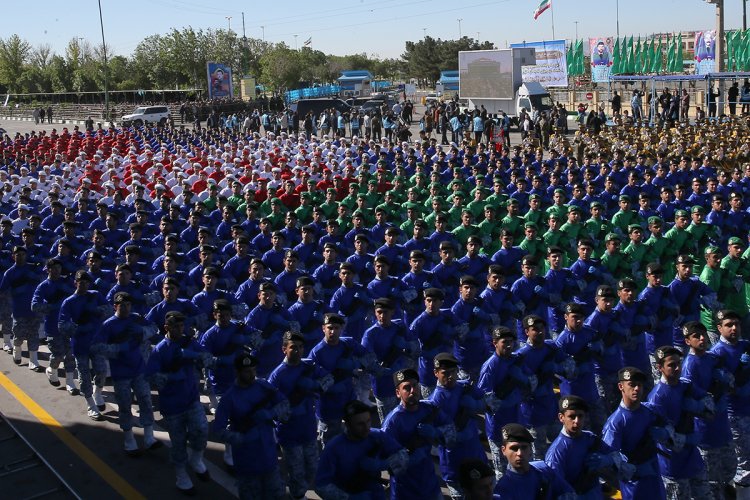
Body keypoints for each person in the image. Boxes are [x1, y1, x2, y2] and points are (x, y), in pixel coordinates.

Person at [145, 311, 212, 494]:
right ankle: (181, 476)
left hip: (191, 399)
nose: (180, 330)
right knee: (178, 442)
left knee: (201, 430)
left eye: (182, 326)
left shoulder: (188, 342)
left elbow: (207, 358)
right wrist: (171, 377)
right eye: (175, 326)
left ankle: (196, 459)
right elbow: (150, 377)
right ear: (166, 327)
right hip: (172, 406)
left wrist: (193, 355)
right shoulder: (159, 350)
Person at [213, 349, 290, 499]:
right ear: (237, 372)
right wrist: (240, 438)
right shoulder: (229, 398)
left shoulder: (263, 386)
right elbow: (218, 429)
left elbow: (284, 404)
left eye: (253, 370)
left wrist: (271, 413)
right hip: (246, 461)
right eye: (247, 372)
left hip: (268, 457)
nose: (252, 374)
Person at [92, 292, 161, 454]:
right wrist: (117, 349)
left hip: (139, 369)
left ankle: (149, 437)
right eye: (122, 305)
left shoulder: (136, 319)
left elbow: (154, 328)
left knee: (145, 401)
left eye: (128, 305)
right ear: (115, 306)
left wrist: (142, 331)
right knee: (124, 406)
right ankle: (129, 441)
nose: (125, 308)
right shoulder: (108, 325)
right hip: (121, 373)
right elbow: (96, 347)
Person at [268, 331, 332, 500]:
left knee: (313, 467)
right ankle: (297, 495)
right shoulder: (277, 375)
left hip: (308, 429)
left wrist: (316, 385)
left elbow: (329, 379)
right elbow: (270, 404)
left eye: (301, 347)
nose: (298, 351)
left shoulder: (308, 367)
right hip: (289, 433)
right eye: (293, 347)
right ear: (284, 349)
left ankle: (298, 491)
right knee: (296, 471)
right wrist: (287, 408)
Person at [647, 345, 712, 499]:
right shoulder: (657, 397)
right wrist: (686, 439)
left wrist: (700, 406)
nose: (677, 368)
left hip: (693, 458)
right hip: (673, 463)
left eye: (678, 363)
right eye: (671, 365)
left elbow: (710, 403)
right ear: (660, 368)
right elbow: (661, 436)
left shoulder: (685, 385)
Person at [602, 367, 675, 500]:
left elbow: (670, 428)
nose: (636, 389)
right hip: (634, 486)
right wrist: (633, 469)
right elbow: (610, 458)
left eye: (639, 385)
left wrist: (666, 433)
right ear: (621, 386)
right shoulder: (615, 422)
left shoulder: (651, 410)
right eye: (632, 384)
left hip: (655, 479)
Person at [315, 399, 408, 499]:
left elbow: (402, 455)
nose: (366, 427)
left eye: (368, 421)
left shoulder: (376, 436)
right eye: (360, 424)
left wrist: (383, 464)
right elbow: (321, 485)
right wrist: (348, 498)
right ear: (347, 425)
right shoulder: (334, 448)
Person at [381, 368, 451, 499]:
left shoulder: (429, 409)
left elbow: (452, 433)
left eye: (415, 385)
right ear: (398, 393)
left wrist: (436, 432)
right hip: (405, 490)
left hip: (429, 483)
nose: (413, 390)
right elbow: (388, 463)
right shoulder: (392, 422)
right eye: (407, 388)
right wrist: (409, 458)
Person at [546, 395, 633, 499]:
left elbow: (622, 461)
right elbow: (555, 487)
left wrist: (609, 459)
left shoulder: (590, 438)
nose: (577, 421)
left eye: (580, 416)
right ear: (561, 417)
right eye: (572, 416)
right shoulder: (556, 452)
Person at [429, 352, 488, 499]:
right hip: (454, 463)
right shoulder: (434, 401)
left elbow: (490, 401)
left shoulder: (464, 387)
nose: (450, 376)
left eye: (453, 372)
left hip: (475, 454)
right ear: (436, 373)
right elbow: (435, 436)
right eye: (445, 373)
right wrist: (458, 436)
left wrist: (477, 404)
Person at [58, 270, 110, 421]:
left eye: (87, 282)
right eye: (81, 282)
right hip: (80, 344)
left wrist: (96, 311)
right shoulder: (69, 302)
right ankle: (90, 405)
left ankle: (97, 393)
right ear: (75, 283)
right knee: (84, 375)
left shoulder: (95, 295)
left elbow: (109, 309)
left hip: (96, 342)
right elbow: (62, 325)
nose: (84, 285)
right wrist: (78, 328)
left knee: (101, 371)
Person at [709, 309, 750, 496]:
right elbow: (727, 387)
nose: (734, 328)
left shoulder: (746, 346)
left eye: (737, 324)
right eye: (729, 325)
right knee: (744, 462)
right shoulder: (716, 354)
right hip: (735, 414)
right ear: (719, 328)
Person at [493, 422, 575, 498]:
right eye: (514, 448)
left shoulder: (543, 469)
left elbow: (568, 493)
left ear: (530, 449)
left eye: (524, 447)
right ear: (503, 450)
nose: (520, 453)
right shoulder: (503, 489)